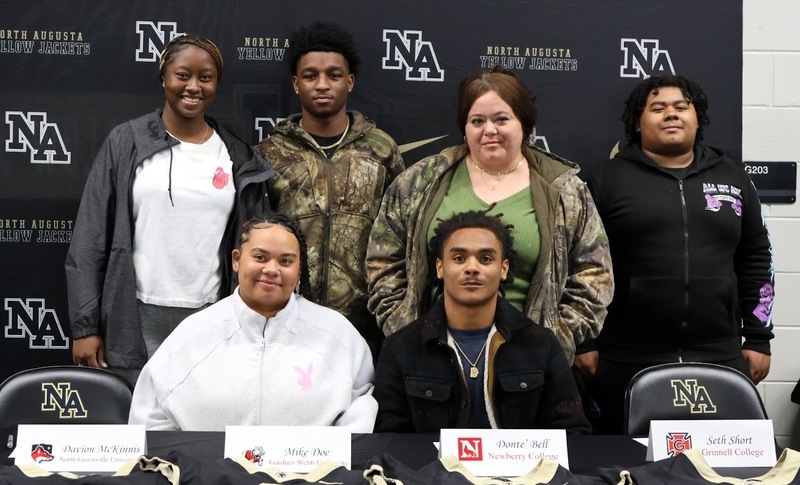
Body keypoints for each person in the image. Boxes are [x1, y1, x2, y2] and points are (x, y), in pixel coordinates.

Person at [366, 65, 613, 372]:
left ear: (525, 124)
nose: (489, 130)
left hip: (530, 364)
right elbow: (382, 262)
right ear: (464, 127)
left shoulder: (564, 190)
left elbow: (595, 273)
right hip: (431, 357)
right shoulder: (419, 182)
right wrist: (407, 331)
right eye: (477, 121)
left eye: (502, 119)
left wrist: (552, 340)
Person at [65, 34, 275, 387]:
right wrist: (85, 327)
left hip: (211, 319)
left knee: (201, 417)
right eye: (183, 75)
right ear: (164, 77)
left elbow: (255, 246)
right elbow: (90, 239)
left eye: (205, 77)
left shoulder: (236, 155)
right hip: (134, 319)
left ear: (216, 84)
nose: (193, 87)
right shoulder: (126, 141)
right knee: (132, 419)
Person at [585, 74, 775, 434]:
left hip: (719, 354)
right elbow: (580, 266)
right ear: (637, 123)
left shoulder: (734, 179)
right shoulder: (605, 180)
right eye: (657, 108)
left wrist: (758, 337)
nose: (671, 114)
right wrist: (584, 342)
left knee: (724, 458)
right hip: (624, 356)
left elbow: (757, 259)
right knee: (622, 459)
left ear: (697, 118)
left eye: (681, 107)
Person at [128, 214, 377, 432]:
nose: (271, 269)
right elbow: (150, 417)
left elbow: (361, 408)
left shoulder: (337, 334)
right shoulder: (193, 335)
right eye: (260, 257)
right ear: (236, 259)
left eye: (286, 261)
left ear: (299, 268)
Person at [257, 21, 404, 356]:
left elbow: (401, 236)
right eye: (310, 76)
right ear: (296, 83)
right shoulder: (270, 153)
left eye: (334, 75)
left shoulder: (381, 150)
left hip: (364, 326)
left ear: (349, 81)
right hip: (286, 320)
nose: (322, 85)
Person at [374, 211, 590, 433]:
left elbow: (572, 433)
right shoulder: (401, 348)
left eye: (485, 259)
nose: (472, 268)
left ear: (503, 269)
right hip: (427, 458)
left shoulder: (540, 344)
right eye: (459, 258)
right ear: (440, 267)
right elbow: (387, 440)